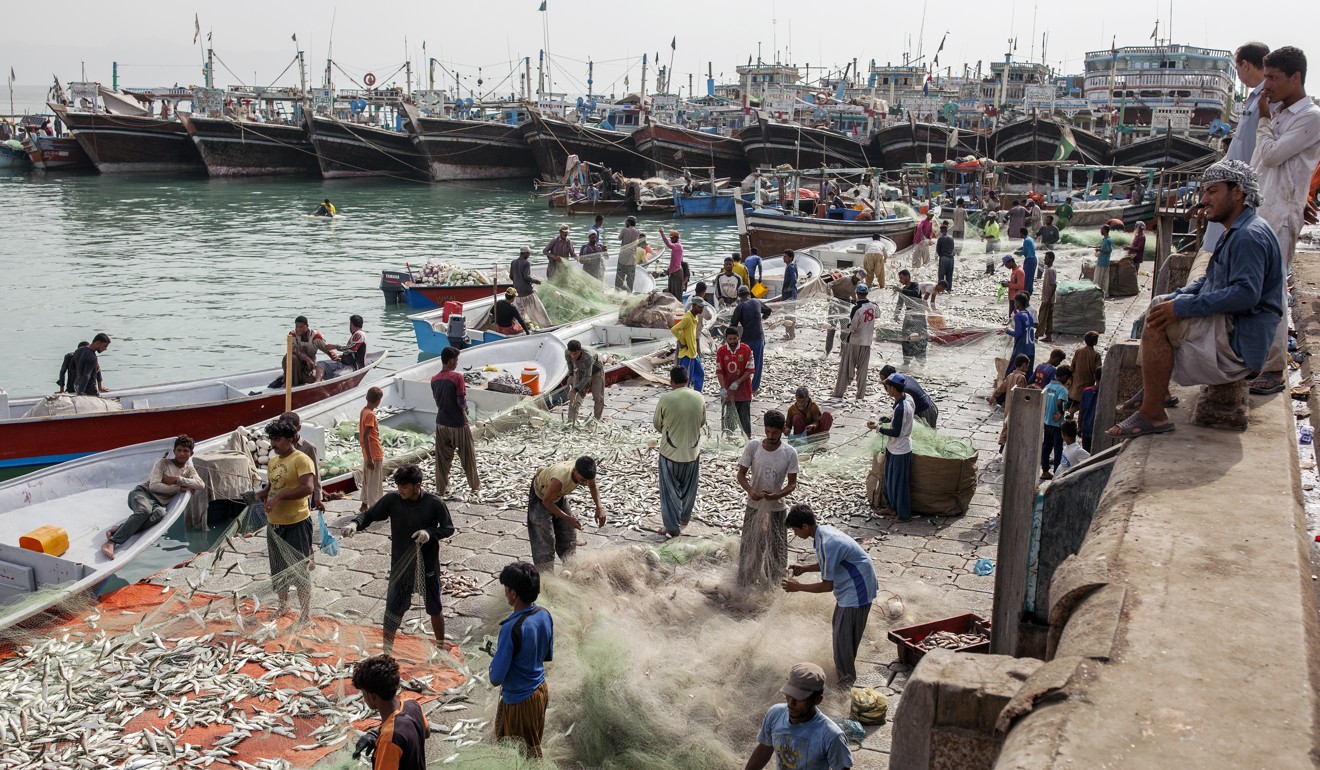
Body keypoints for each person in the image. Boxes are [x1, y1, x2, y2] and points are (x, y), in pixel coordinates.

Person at [1108, 160, 1282, 437]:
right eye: (1204, 192)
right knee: (1159, 305)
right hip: (1233, 326)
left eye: (1212, 191)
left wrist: (1183, 307)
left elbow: (1245, 294)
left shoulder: (1248, 237)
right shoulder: (1237, 230)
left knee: (1156, 326)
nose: (1203, 200)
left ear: (1237, 193)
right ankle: (1159, 392)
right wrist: (1178, 298)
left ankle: (1153, 416)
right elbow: (1210, 279)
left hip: (1241, 341)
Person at [1249, 46, 1320, 395]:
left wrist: (1263, 120)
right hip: (1264, 211)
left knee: (1271, 290)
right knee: (1257, 288)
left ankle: (1274, 369)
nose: (1267, 86)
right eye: (1266, 77)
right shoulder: (1279, 114)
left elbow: (1273, 155)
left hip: (1279, 215)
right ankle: (1260, 360)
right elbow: (1262, 166)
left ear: (1296, 77)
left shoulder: (1310, 115)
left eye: (1274, 78)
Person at [343, 464, 455, 655]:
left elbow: (448, 528)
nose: (401, 490)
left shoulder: (434, 503)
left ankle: (440, 645)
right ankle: (387, 652)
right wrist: (355, 523)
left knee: (434, 608)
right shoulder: (393, 500)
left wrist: (429, 532)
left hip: (427, 566)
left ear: (417, 485)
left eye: (405, 486)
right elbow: (369, 515)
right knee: (392, 612)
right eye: (398, 486)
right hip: (400, 566)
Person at [783, 505, 878, 689]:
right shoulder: (822, 534)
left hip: (857, 591)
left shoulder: (827, 542)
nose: (795, 534)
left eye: (795, 530)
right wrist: (805, 568)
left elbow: (827, 585)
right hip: (853, 589)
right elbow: (829, 563)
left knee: (844, 642)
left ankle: (846, 684)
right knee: (841, 635)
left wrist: (799, 587)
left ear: (804, 526)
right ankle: (845, 676)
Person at [1204, 42, 1270, 253]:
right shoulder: (1254, 99)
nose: (1239, 74)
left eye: (1238, 68)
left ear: (1246, 65)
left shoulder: (1267, 99)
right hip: (1235, 179)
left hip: (1246, 184)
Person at [101, 435, 205, 560]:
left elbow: (201, 485)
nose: (182, 454)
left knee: (160, 514)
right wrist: (179, 488)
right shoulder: (163, 463)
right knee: (144, 511)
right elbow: (154, 486)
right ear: (174, 451)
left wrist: (178, 480)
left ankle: (120, 528)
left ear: (191, 453)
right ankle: (111, 542)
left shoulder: (189, 470)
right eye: (179, 450)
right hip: (142, 493)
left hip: (158, 503)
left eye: (186, 451)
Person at [490, 562, 554, 758]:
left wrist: (494, 662)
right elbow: (546, 655)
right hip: (540, 692)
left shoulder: (511, 628)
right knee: (532, 746)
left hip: (520, 702)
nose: (505, 592)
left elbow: (496, 678)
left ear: (513, 594)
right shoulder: (544, 615)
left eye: (506, 589)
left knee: (524, 758)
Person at [256, 416, 316, 620]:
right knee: (278, 568)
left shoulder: (301, 459)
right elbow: (273, 485)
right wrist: (262, 494)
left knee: (300, 570)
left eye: (278, 439)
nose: (273, 443)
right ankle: (283, 605)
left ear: (290, 439)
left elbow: (308, 488)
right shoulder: (273, 461)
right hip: (275, 524)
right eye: (271, 439)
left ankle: (305, 615)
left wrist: (280, 497)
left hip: (296, 523)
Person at [745, 662, 854, 770]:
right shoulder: (775, 714)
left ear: (818, 700)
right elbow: (763, 751)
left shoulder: (831, 736)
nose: (791, 703)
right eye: (789, 695)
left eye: (799, 699)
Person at [736, 410, 800, 588]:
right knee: (750, 546)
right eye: (768, 432)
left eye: (775, 433)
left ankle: (774, 584)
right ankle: (746, 581)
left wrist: (777, 495)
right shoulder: (753, 447)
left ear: (783, 430)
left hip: (777, 508)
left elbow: (792, 484)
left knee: (777, 548)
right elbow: (741, 475)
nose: (771, 436)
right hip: (754, 505)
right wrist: (750, 490)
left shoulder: (789, 452)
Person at [349, 655, 429, 770]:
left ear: (372, 696)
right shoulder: (413, 705)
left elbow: (394, 733)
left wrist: (384, 738)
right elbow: (425, 733)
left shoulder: (389, 740)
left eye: (363, 693)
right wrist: (376, 734)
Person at [526, 456, 605, 571]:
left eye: (588, 480)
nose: (585, 483)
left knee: (568, 534)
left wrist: (599, 507)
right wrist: (568, 518)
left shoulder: (588, 473)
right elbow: (547, 502)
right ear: (574, 471)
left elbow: (593, 486)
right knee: (544, 540)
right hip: (541, 497)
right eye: (583, 480)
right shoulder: (559, 479)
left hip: (558, 496)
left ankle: (570, 568)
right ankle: (545, 576)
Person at [653, 365, 706, 538]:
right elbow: (702, 422)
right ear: (688, 381)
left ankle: (672, 528)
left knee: (669, 492)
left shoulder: (665, 399)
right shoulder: (699, 397)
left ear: (671, 381)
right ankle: (684, 519)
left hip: (670, 454)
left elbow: (657, 424)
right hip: (692, 452)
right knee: (689, 488)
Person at [431, 346, 481, 502]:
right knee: (468, 456)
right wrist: (465, 409)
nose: (457, 363)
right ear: (451, 360)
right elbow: (461, 401)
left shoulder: (434, 379)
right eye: (457, 360)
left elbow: (439, 400)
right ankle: (475, 487)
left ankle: (441, 489)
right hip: (458, 424)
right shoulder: (457, 377)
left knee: (442, 459)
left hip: (441, 423)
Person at [872, 373, 915, 522]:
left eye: (888, 387)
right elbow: (898, 420)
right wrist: (888, 419)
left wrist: (878, 428)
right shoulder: (906, 398)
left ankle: (903, 515)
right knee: (890, 480)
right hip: (893, 448)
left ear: (894, 389)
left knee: (900, 484)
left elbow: (896, 432)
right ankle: (891, 508)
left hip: (901, 450)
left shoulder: (902, 407)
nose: (886, 390)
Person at [832, 284, 878, 399]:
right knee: (863, 369)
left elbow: (853, 328)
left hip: (855, 342)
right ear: (867, 293)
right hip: (867, 342)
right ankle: (860, 394)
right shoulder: (873, 306)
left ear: (857, 294)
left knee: (846, 368)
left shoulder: (856, 308)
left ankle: (839, 392)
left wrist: (846, 326)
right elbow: (877, 315)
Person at [717, 326, 756, 440]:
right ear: (726, 339)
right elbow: (719, 371)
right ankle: (730, 443)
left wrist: (738, 382)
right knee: (729, 423)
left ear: (739, 337)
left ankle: (747, 442)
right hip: (729, 393)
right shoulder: (721, 351)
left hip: (744, 392)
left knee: (745, 421)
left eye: (735, 338)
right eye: (730, 339)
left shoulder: (746, 349)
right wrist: (723, 388)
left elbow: (750, 369)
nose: (733, 341)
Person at [989, 354, 1031, 453]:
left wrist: (994, 396)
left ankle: (1003, 443)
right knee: (1014, 427)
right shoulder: (1021, 378)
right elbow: (1021, 394)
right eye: (1027, 366)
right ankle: (1007, 447)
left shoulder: (1010, 376)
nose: (1028, 368)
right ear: (1023, 365)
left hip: (1008, 406)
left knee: (1006, 425)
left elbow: (1001, 388)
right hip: (1016, 406)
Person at [280, 317, 335, 387]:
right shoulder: (292, 335)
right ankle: (288, 379)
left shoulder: (315, 336)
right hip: (297, 364)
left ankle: (297, 379)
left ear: (307, 326)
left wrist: (337, 360)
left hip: (309, 367)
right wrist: (306, 358)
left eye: (301, 327)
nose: (298, 329)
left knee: (316, 378)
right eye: (297, 327)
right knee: (289, 357)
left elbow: (327, 349)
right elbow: (292, 349)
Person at [731, 286, 767, 392]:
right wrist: (762, 318)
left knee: (742, 363)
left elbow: (733, 324)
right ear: (748, 294)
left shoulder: (740, 307)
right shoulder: (757, 302)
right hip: (759, 337)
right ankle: (754, 387)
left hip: (747, 339)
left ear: (739, 296)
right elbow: (768, 311)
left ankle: (741, 384)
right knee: (757, 363)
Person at [1040, 365, 1072, 480]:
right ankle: (1057, 472)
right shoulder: (1062, 389)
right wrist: (1060, 413)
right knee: (1058, 448)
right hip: (1057, 424)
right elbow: (1060, 403)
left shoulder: (1048, 386)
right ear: (1064, 377)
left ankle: (1044, 470)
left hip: (1047, 421)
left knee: (1046, 446)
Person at [510, 247, 552, 328]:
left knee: (519, 312)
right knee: (538, 308)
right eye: (528, 253)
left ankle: (518, 327)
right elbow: (526, 277)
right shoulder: (526, 263)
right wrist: (535, 281)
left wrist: (517, 282)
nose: (529, 255)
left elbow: (511, 276)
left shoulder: (513, 262)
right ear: (525, 253)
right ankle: (547, 324)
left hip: (517, 292)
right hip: (527, 292)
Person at [824, 270, 864, 355]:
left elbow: (853, 294)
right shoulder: (845, 279)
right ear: (854, 275)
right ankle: (827, 351)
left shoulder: (856, 285)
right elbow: (830, 284)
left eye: (857, 280)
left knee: (845, 329)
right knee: (831, 328)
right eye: (855, 278)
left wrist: (856, 302)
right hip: (835, 302)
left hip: (845, 304)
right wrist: (829, 295)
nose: (855, 280)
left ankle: (842, 352)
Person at [565, 340, 605, 424]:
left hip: (596, 371)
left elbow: (588, 376)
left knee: (598, 397)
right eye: (571, 353)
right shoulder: (567, 353)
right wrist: (571, 375)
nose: (573, 356)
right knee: (575, 397)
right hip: (581, 370)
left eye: (575, 354)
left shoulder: (587, 355)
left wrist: (575, 389)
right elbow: (569, 363)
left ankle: (597, 421)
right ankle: (571, 421)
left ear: (580, 351)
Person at [894, 270, 928, 367]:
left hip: (918, 316)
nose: (900, 280)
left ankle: (921, 360)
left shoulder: (915, 285)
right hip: (908, 315)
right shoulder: (903, 289)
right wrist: (896, 315)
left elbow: (914, 293)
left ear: (907, 277)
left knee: (920, 337)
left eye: (901, 278)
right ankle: (907, 360)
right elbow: (900, 303)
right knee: (906, 336)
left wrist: (901, 290)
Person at [672, 297, 706, 391]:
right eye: (700, 307)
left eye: (702, 307)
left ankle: (697, 395)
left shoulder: (694, 317)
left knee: (700, 374)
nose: (702, 309)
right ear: (694, 306)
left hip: (694, 353)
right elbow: (674, 329)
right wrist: (682, 342)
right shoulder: (687, 318)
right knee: (687, 378)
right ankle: (685, 396)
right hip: (688, 355)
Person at [359, 387, 384, 511]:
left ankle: (364, 504)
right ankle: (375, 509)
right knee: (374, 482)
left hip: (367, 452)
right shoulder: (371, 414)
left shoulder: (364, 411)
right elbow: (366, 435)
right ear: (378, 401)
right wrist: (370, 458)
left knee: (367, 479)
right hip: (374, 453)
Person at [1003, 292, 1037, 374]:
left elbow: (1018, 333)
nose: (1014, 304)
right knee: (1027, 373)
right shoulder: (1029, 315)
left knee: (1010, 373)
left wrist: (1007, 331)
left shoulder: (1018, 316)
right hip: (1030, 348)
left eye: (1014, 302)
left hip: (1021, 349)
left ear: (1018, 303)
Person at [1068, 331, 1102, 412]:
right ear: (1095, 342)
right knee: (1084, 406)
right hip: (1088, 383)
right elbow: (1098, 370)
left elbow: (1072, 366)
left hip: (1076, 382)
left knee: (1074, 403)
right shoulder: (1096, 355)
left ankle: (1070, 415)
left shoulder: (1078, 351)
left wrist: (1070, 378)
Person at [1037, 252, 1058, 342]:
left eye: (1046, 258)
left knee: (1042, 317)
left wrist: (1049, 298)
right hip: (1049, 298)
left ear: (1051, 259)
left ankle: (1037, 335)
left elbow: (1054, 285)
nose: (1045, 260)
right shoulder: (1049, 269)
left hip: (1047, 299)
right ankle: (1048, 336)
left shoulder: (1050, 270)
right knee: (1049, 318)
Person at [1079, 365, 1101, 452]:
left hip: (1086, 427)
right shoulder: (1105, 392)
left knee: (1086, 453)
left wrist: (1079, 427)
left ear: (1094, 376)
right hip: (1097, 430)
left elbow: (1081, 411)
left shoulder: (1086, 391)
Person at [659, 228, 685, 297]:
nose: (671, 240)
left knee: (676, 293)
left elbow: (668, 244)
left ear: (676, 238)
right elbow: (675, 261)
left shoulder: (678, 246)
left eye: (672, 238)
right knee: (672, 292)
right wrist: (668, 270)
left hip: (677, 273)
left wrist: (662, 233)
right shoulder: (677, 246)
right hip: (673, 272)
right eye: (670, 238)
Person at [617, 216, 640, 291]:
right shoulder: (638, 232)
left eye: (626, 222)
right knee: (630, 279)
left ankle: (617, 292)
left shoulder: (624, 230)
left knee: (619, 277)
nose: (625, 223)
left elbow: (619, 238)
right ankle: (629, 293)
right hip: (632, 258)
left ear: (628, 222)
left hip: (623, 257)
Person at [1093, 224, 1114, 299]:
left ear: (1105, 231)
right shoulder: (1105, 239)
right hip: (1102, 261)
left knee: (1100, 278)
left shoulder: (1108, 240)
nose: (1100, 231)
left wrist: (1099, 250)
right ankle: (1103, 293)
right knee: (1101, 278)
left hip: (1103, 262)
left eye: (1101, 230)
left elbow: (1109, 250)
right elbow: (1104, 247)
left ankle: (1100, 293)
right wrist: (1098, 247)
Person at [1016, 228, 1038, 297]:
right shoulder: (1029, 239)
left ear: (1022, 233)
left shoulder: (1026, 241)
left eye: (1020, 233)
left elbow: (1024, 251)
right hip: (1033, 260)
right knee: (1030, 277)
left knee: (1026, 277)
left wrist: (1017, 253)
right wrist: (1020, 248)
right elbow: (1026, 248)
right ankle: (1029, 291)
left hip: (1029, 260)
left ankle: (1025, 293)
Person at [935, 222, 956, 292]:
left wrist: (940, 255)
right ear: (947, 231)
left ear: (941, 231)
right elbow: (953, 248)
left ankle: (940, 289)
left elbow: (938, 250)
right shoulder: (951, 238)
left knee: (941, 274)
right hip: (951, 258)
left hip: (944, 258)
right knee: (949, 275)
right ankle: (948, 289)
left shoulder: (940, 239)